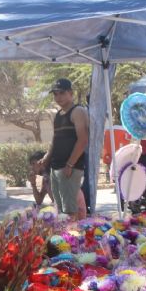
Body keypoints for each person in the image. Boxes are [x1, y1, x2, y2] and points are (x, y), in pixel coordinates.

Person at [38, 78, 89, 217]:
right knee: (60, 210)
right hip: (56, 168)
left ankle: (74, 237)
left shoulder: (78, 111)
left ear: (70, 93)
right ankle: (63, 238)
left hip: (70, 168)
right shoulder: (58, 115)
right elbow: (56, 140)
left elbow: (83, 140)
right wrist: (47, 157)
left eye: (61, 93)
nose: (58, 97)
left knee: (70, 211)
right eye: (55, 94)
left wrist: (70, 164)